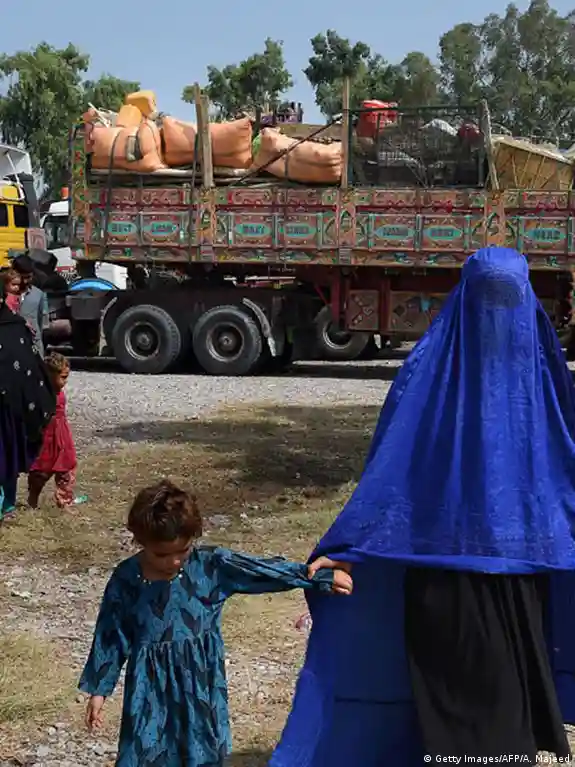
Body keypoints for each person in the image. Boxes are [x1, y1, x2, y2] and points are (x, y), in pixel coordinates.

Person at [271, 247, 575, 767]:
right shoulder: (503, 376)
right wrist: (350, 547)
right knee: (459, 715)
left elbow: (564, 470)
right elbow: (393, 471)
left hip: (517, 579)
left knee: (499, 715)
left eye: (507, 300)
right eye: (489, 300)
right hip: (449, 576)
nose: (497, 318)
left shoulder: (536, 380)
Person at [79, 479, 353, 767]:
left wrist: (322, 577)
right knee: (144, 753)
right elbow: (111, 633)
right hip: (149, 687)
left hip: (200, 684)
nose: (174, 562)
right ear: (140, 540)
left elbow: (263, 571)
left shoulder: (210, 566)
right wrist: (99, 690)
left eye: (183, 551)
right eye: (162, 554)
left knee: (201, 753)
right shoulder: (126, 579)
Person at [0, 281, 56, 519]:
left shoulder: (15, 327)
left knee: (7, 454)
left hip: (10, 408)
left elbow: (28, 366)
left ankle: (7, 504)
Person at [28, 352, 85, 509]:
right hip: (47, 436)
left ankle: (64, 501)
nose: (65, 382)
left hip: (62, 435)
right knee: (41, 470)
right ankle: (33, 498)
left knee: (67, 468)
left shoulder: (58, 390)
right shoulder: (41, 392)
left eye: (67, 377)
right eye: (63, 377)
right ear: (49, 375)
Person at [12, 253, 49, 357]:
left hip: (32, 347)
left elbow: (42, 324)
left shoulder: (39, 295)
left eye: (28, 277)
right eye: (21, 277)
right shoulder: (5, 294)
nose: (25, 281)